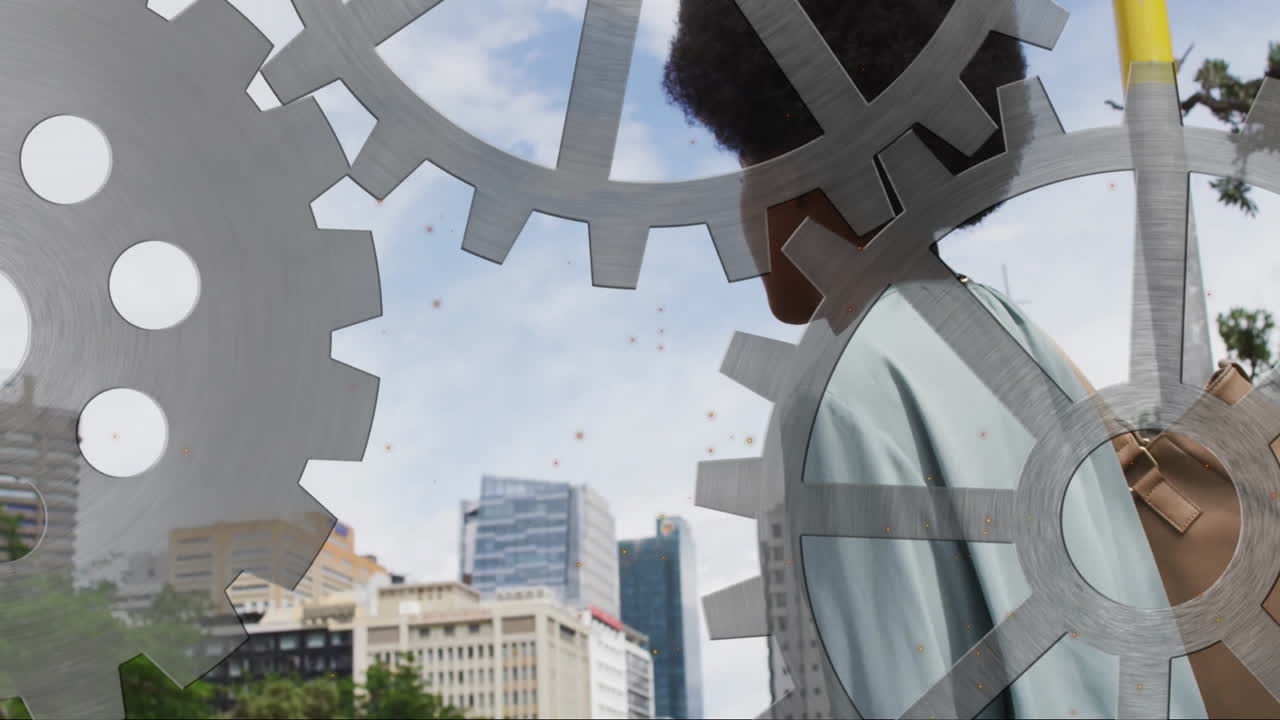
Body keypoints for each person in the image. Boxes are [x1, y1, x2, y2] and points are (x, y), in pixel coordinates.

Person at [662, 2, 1209, 718]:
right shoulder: (1015, 336)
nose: (742, 205)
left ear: (810, 165)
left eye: (746, 163)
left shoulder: (841, 384)